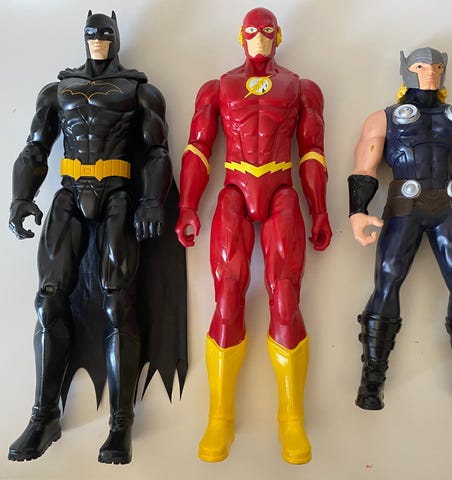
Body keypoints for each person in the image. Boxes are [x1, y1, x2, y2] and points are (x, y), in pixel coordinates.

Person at [8, 11, 187, 464]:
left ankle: (120, 423)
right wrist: (21, 197)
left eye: (105, 34)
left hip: (117, 196)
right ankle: (44, 415)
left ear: (116, 37)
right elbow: (35, 148)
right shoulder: (58, 90)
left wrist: (151, 200)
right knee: (48, 300)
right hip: (69, 191)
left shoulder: (139, 89)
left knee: (117, 302)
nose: (98, 40)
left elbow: (158, 151)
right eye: (92, 34)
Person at [175, 7, 331, 465]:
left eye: (266, 32)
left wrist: (320, 209)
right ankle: (219, 418)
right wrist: (187, 205)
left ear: (277, 35)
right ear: (239, 36)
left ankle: (292, 419)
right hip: (234, 192)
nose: (259, 39)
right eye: (251, 32)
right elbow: (198, 148)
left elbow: (313, 151)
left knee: (285, 299)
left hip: (282, 189)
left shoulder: (301, 87)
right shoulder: (218, 87)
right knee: (227, 299)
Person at [349, 47, 452, 411]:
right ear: (406, 71)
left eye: (436, 66)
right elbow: (365, 166)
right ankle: (371, 380)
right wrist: (358, 211)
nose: (429, 72)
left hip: (448, 205)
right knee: (388, 280)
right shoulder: (383, 118)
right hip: (404, 205)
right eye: (420, 66)